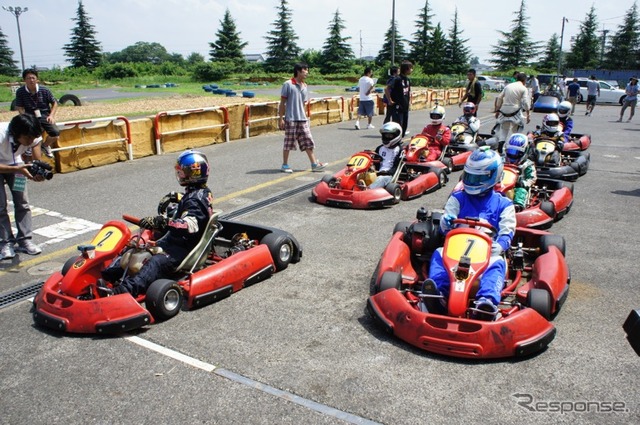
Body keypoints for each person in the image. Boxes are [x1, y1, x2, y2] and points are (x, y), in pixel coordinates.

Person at [98, 150, 214, 297]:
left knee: (155, 262)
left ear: (194, 173)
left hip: (183, 249)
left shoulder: (196, 200)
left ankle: (123, 291)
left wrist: (162, 222)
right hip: (175, 241)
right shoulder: (198, 192)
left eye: (183, 172)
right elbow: (189, 200)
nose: (180, 175)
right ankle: (106, 276)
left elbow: (189, 225)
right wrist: (175, 197)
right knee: (136, 248)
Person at [423, 147, 516, 320]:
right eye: (470, 176)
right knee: (439, 253)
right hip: (456, 249)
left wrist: (500, 245)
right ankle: (438, 294)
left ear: (493, 176)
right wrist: (447, 221)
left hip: (487, 252)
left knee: (497, 263)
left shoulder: (504, 204)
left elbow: (507, 230)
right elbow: (445, 225)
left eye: (478, 178)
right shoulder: (458, 198)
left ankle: (486, 302)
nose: (472, 181)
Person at [0, 114, 46, 260]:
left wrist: (38, 171)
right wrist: (18, 169)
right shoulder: (1, 134)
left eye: (33, 137)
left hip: (17, 166)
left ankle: (24, 240)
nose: (30, 141)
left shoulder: (31, 137)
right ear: (15, 133)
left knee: (22, 202)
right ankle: (5, 242)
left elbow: (36, 153)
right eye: (27, 138)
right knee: (0, 206)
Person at [278, 63, 327, 174]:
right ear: (298, 71)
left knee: (308, 141)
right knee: (289, 142)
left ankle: (314, 164)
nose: (307, 73)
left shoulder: (305, 86)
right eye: (305, 70)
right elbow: (282, 103)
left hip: (302, 119)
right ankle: (285, 164)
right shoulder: (288, 84)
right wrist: (280, 118)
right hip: (291, 119)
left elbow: (303, 104)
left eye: (307, 70)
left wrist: (305, 116)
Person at [14, 68, 59, 159]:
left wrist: (51, 115)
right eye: (28, 78)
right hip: (30, 115)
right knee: (32, 135)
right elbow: (19, 107)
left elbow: (54, 103)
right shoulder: (20, 91)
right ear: (24, 80)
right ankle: (28, 151)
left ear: (37, 79)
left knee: (56, 133)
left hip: (44, 114)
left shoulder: (44, 90)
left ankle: (45, 145)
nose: (31, 80)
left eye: (33, 78)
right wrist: (24, 117)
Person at [494, 72, 531, 153]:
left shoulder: (508, 86)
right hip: (515, 111)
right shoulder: (523, 88)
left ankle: (501, 144)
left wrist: (497, 110)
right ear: (524, 80)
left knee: (504, 130)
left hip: (504, 111)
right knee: (516, 131)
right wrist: (528, 114)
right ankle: (513, 147)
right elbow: (525, 101)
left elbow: (499, 97)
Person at [360, 122, 404, 190]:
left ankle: (368, 190)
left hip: (389, 175)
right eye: (386, 135)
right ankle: (351, 185)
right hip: (377, 173)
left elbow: (396, 167)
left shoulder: (399, 150)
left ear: (396, 135)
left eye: (390, 136)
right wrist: (372, 167)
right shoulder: (380, 148)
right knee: (361, 173)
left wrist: (387, 172)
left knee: (381, 179)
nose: (387, 137)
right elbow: (375, 162)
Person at [504, 133, 536, 212]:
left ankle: (517, 207)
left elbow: (532, 178)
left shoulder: (527, 164)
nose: (512, 155)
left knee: (521, 191)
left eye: (516, 153)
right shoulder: (501, 161)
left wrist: (523, 183)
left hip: (517, 186)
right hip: (501, 184)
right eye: (510, 152)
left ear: (524, 152)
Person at [387, 60, 413, 137]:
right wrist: (390, 100)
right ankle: (395, 142)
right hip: (397, 106)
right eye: (411, 68)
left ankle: (400, 140)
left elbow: (407, 93)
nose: (412, 70)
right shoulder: (397, 79)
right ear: (406, 69)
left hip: (405, 106)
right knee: (397, 126)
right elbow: (387, 88)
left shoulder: (407, 80)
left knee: (404, 126)